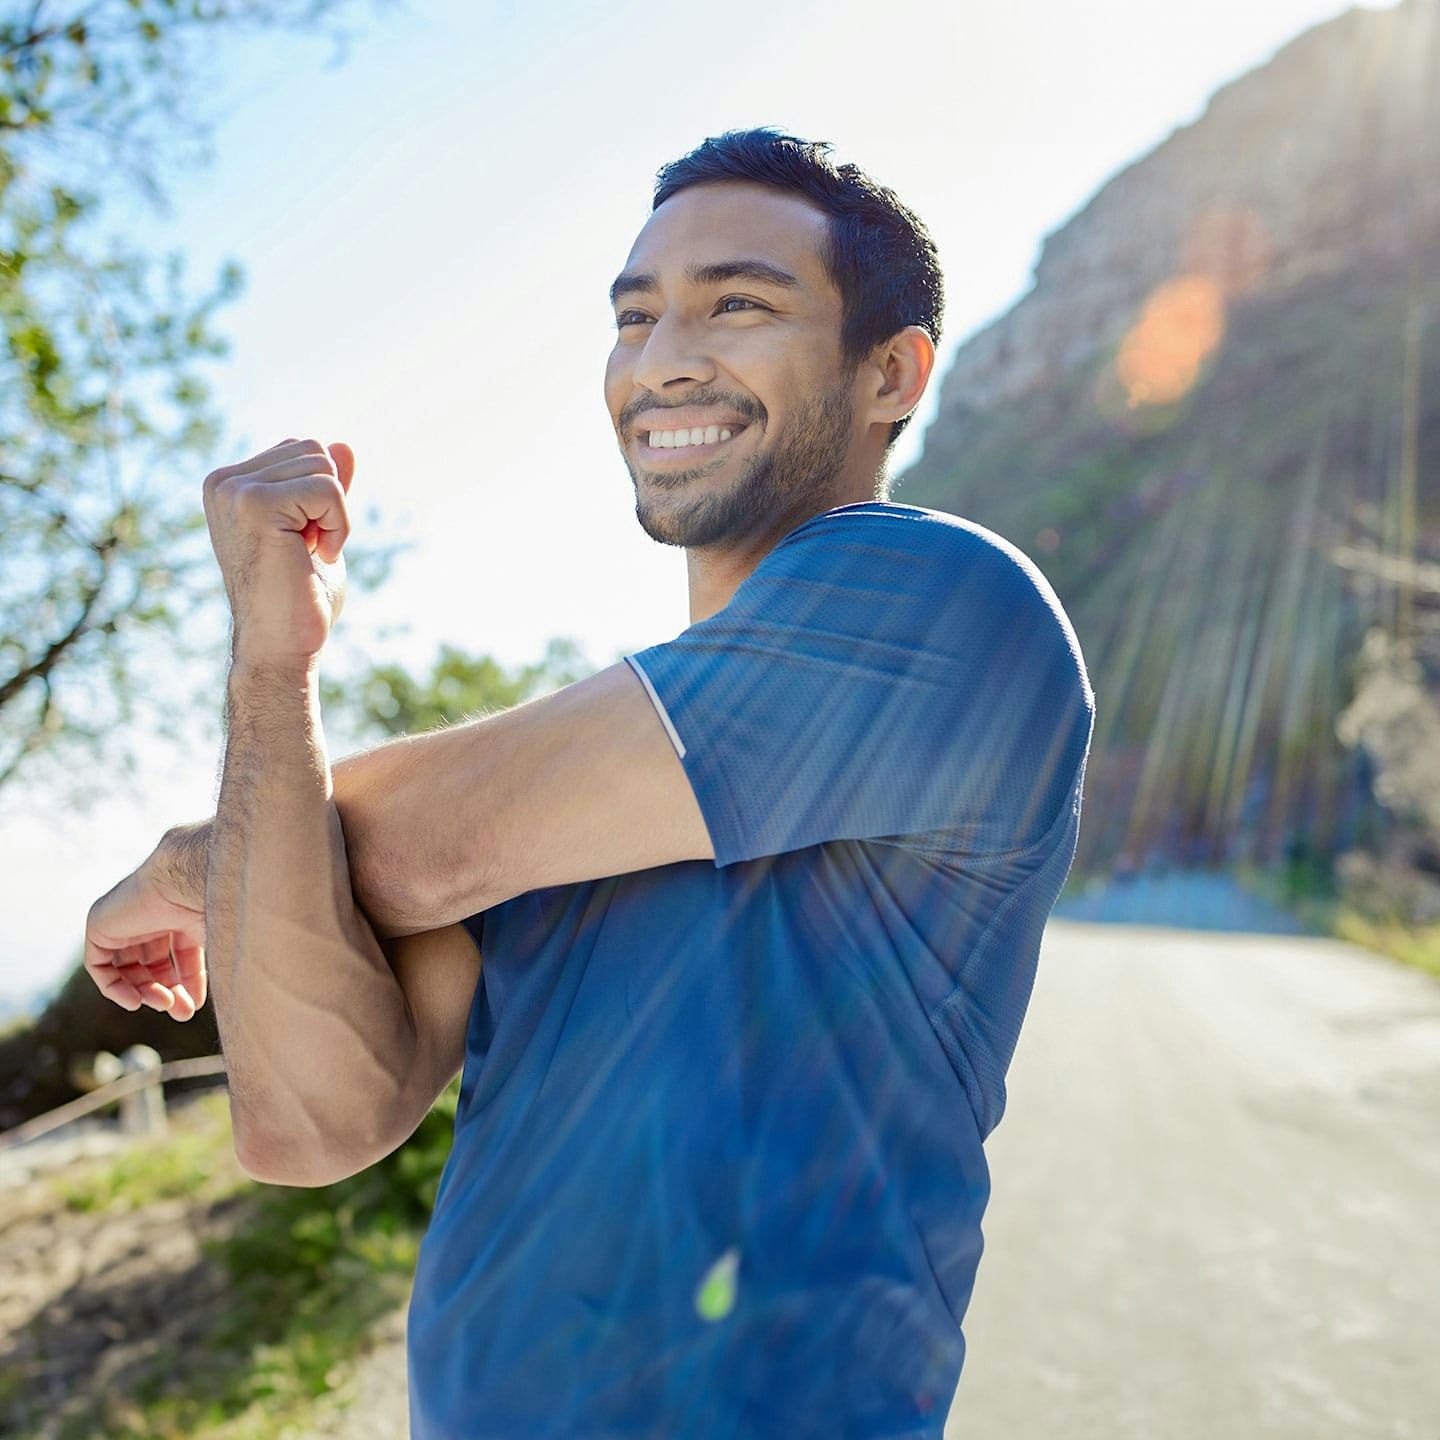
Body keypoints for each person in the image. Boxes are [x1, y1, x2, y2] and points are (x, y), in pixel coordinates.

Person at [84, 126, 1095, 1437]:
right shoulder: (591, 767)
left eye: (738, 301)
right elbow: (308, 1124)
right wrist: (274, 663)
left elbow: (415, 848)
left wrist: (187, 866)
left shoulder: (942, 600)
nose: (665, 356)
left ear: (890, 372)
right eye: (634, 316)